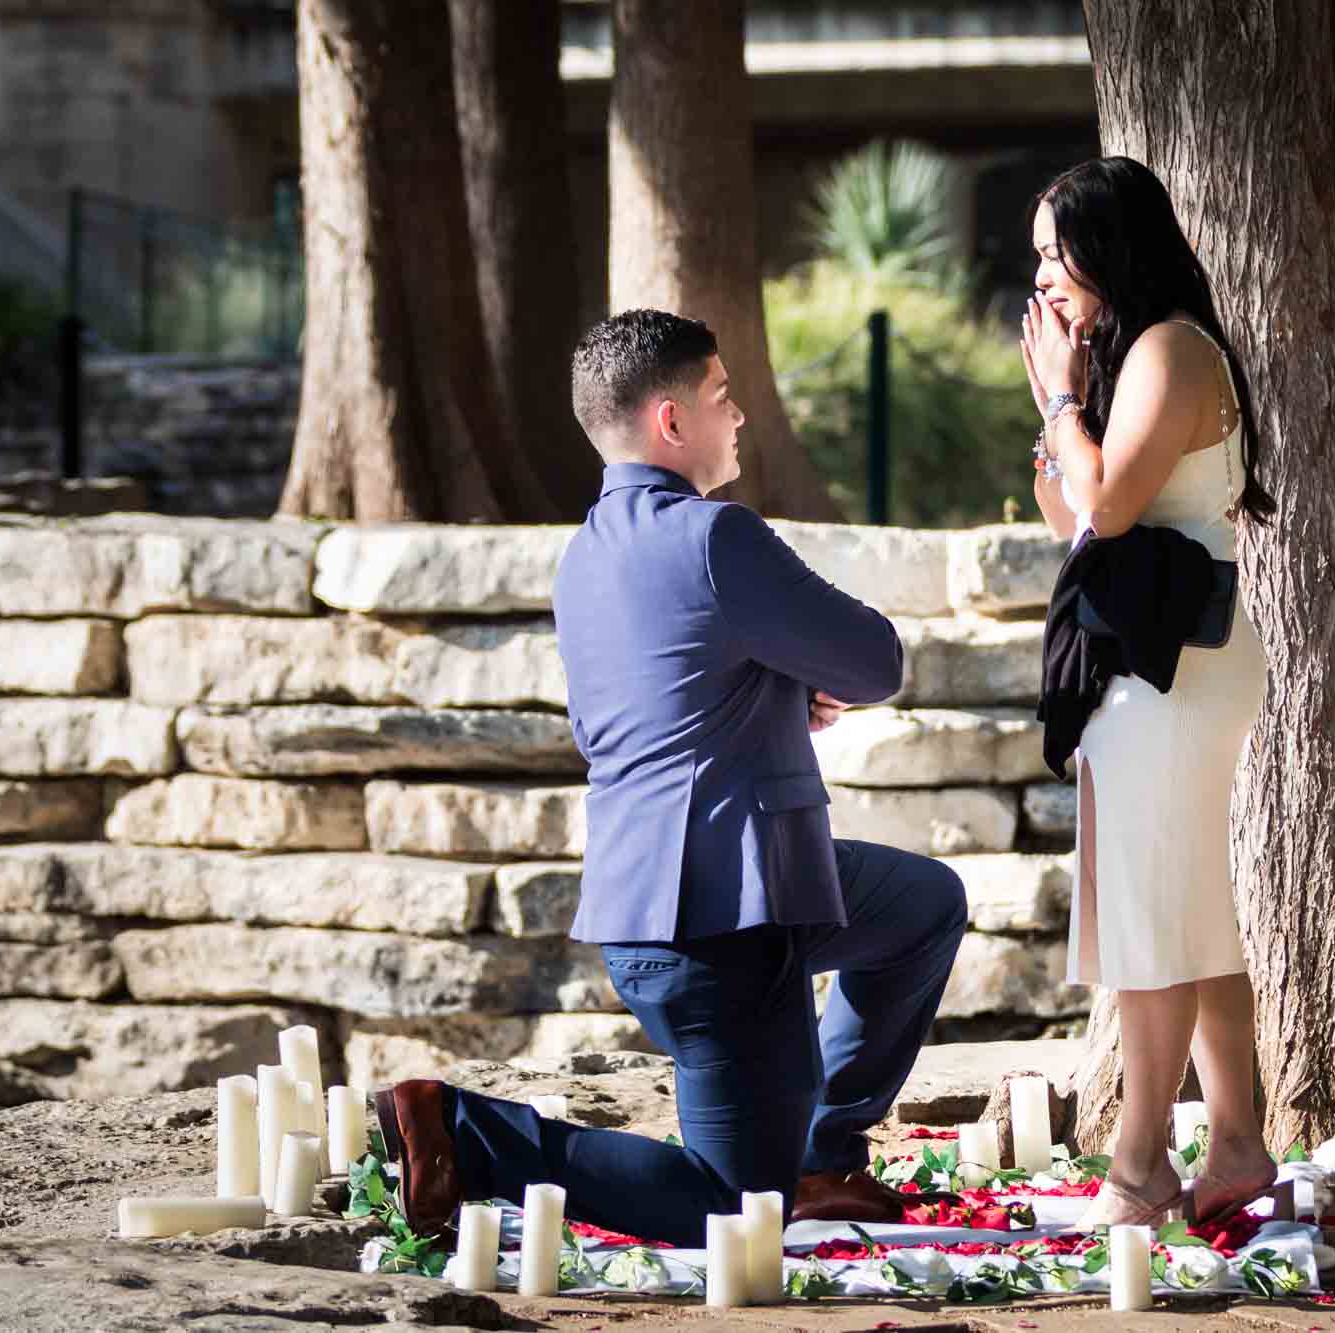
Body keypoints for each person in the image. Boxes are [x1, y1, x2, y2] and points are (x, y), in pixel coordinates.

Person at [370, 308, 969, 1245]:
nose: (739, 417)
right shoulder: (713, 536)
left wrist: (771, 686)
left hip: (672, 904)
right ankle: (465, 1129)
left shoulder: (585, 558)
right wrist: (791, 677)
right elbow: (875, 661)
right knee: (735, 1214)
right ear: (671, 421)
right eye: (724, 396)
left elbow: (656, 701)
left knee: (923, 902)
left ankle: (823, 1150)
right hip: (729, 928)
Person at [1019, 156, 1284, 1230]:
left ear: (1107, 244)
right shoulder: (1129, 357)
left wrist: (1054, 400)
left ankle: (1138, 1168)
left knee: (1148, 917)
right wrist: (1065, 405)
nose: (1043, 278)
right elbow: (1070, 523)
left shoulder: (1173, 348)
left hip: (1172, 663)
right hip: (1151, 654)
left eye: (1054, 252)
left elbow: (1112, 509)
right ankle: (1234, 1144)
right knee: (1187, 907)